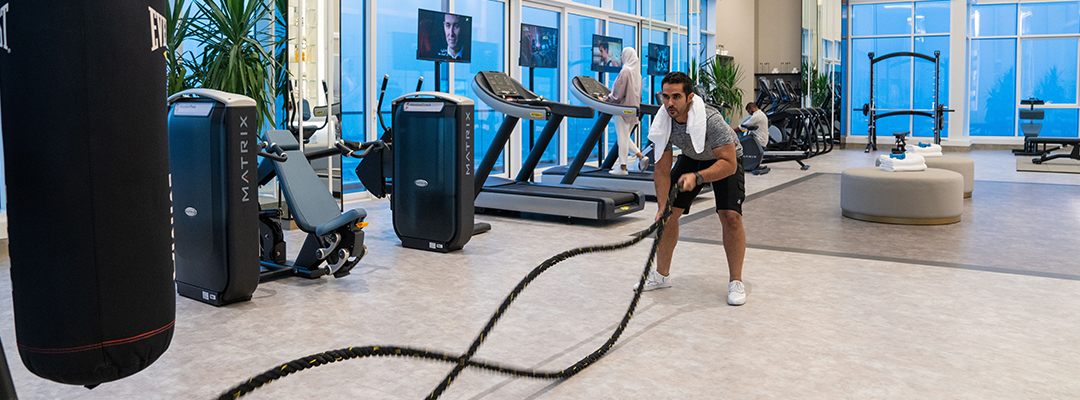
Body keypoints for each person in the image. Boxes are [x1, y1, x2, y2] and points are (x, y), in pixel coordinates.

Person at [641, 71, 747, 306]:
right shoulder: (663, 121)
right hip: (692, 156)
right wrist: (662, 207)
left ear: (689, 97)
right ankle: (661, 276)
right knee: (668, 216)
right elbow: (662, 169)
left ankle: (736, 282)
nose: (670, 103)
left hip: (724, 159)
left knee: (730, 217)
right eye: (665, 96)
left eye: (676, 96)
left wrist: (698, 177)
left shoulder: (711, 120)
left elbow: (729, 164)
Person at [603, 47, 648, 175]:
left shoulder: (625, 71)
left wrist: (605, 99)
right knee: (625, 137)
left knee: (622, 139)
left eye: (622, 55)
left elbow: (617, 94)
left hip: (622, 110)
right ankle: (640, 156)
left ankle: (623, 167)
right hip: (633, 110)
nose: (621, 58)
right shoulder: (637, 74)